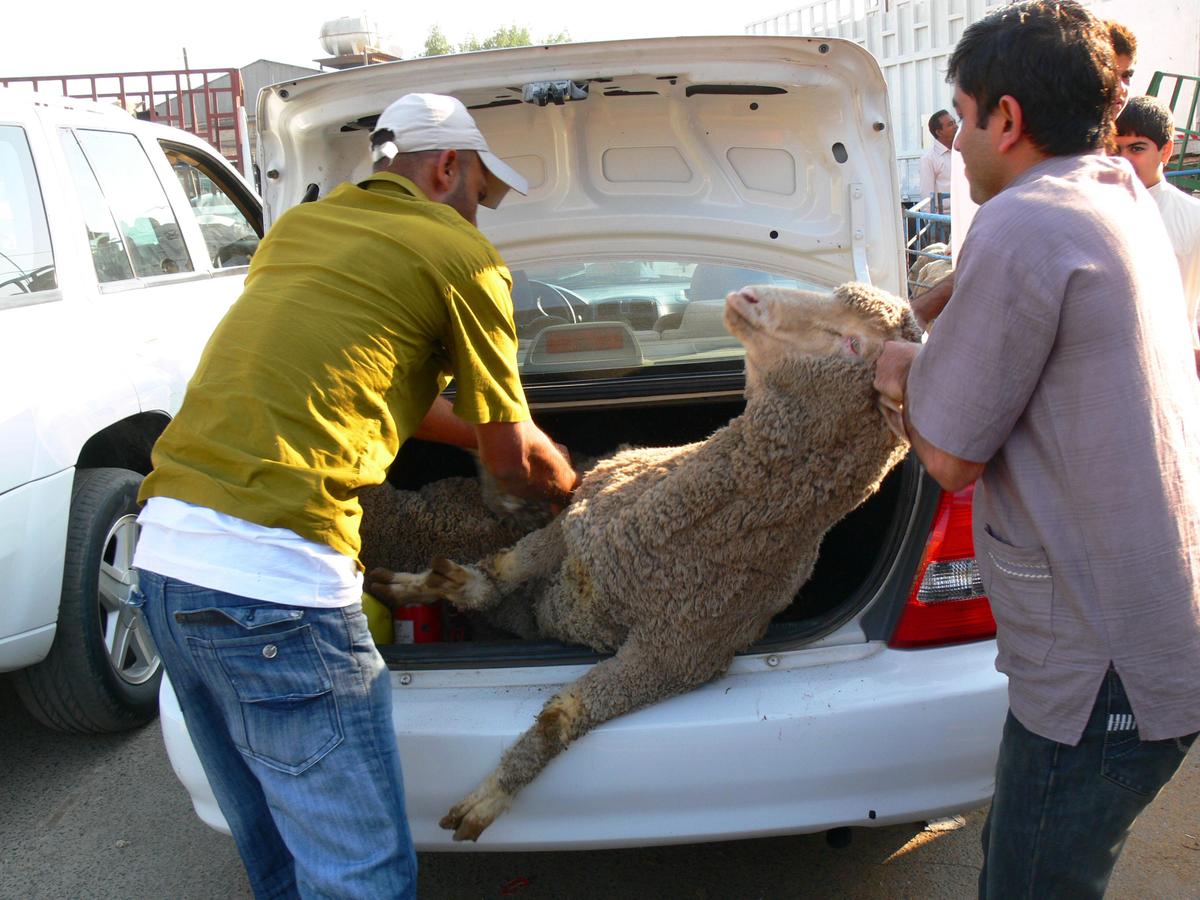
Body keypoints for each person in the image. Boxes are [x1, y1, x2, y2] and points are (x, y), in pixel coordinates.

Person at [131, 93, 578, 898]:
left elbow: (350, 382)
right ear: (448, 167)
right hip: (277, 592)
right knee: (361, 876)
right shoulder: (462, 255)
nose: (483, 214)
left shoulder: (299, 230)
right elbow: (513, 465)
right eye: (484, 190)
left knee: (284, 859)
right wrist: (577, 492)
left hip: (165, 564)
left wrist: (482, 433)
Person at [872, 3, 1200, 897]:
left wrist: (896, 366)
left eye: (964, 116)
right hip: (1150, 636)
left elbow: (947, 456)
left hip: (1100, 672)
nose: (959, 139)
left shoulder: (1021, 223)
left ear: (1006, 119)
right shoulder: (1114, 192)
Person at [1115, 95, 1200, 372]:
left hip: (1171, 363)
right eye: (1116, 150)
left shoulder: (1193, 216)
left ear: (1165, 151)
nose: (1124, 160)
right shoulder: (1091, 211)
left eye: (1136, 148)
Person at [918, 109, 956, 208]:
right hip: (945, 219)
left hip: (966, 216)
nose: (956, 126)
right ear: (939, 132)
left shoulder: (961, 153)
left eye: (955, 122)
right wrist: (933, 222)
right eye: (950, 124)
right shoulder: (928, 159)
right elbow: (926, 200)